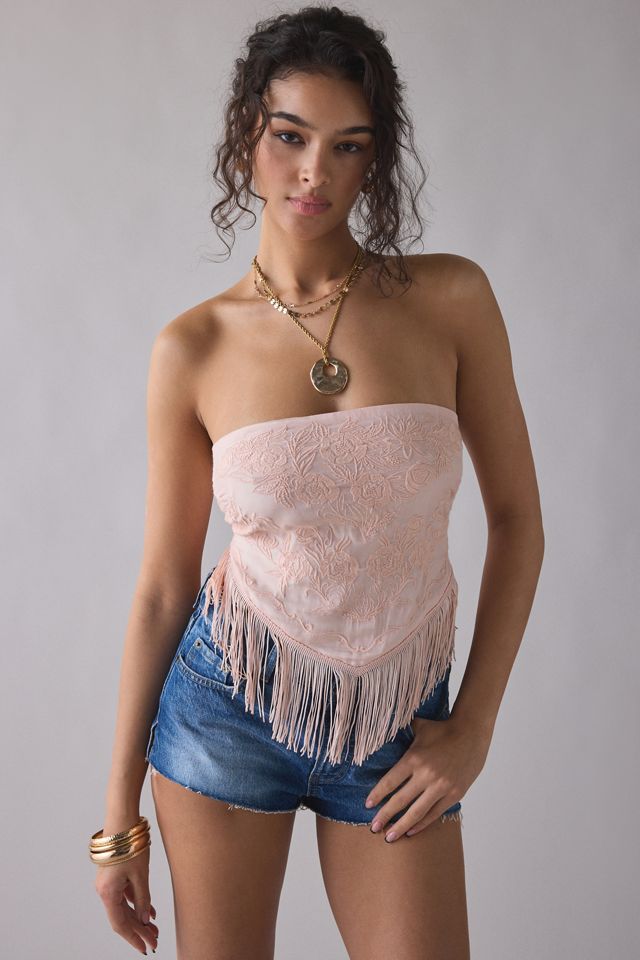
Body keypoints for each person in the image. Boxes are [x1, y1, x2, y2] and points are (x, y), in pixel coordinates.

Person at [90, 5, 544, 958]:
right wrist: (117, 815)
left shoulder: (451, 300)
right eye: (290, 137)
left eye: (348, 146)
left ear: (374, 159)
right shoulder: (193, 348)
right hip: (225, 711)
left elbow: (517, 521)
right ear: (245, 138)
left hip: (398, 723)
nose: (314, 173)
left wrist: (472, 727)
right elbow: (165, 587)